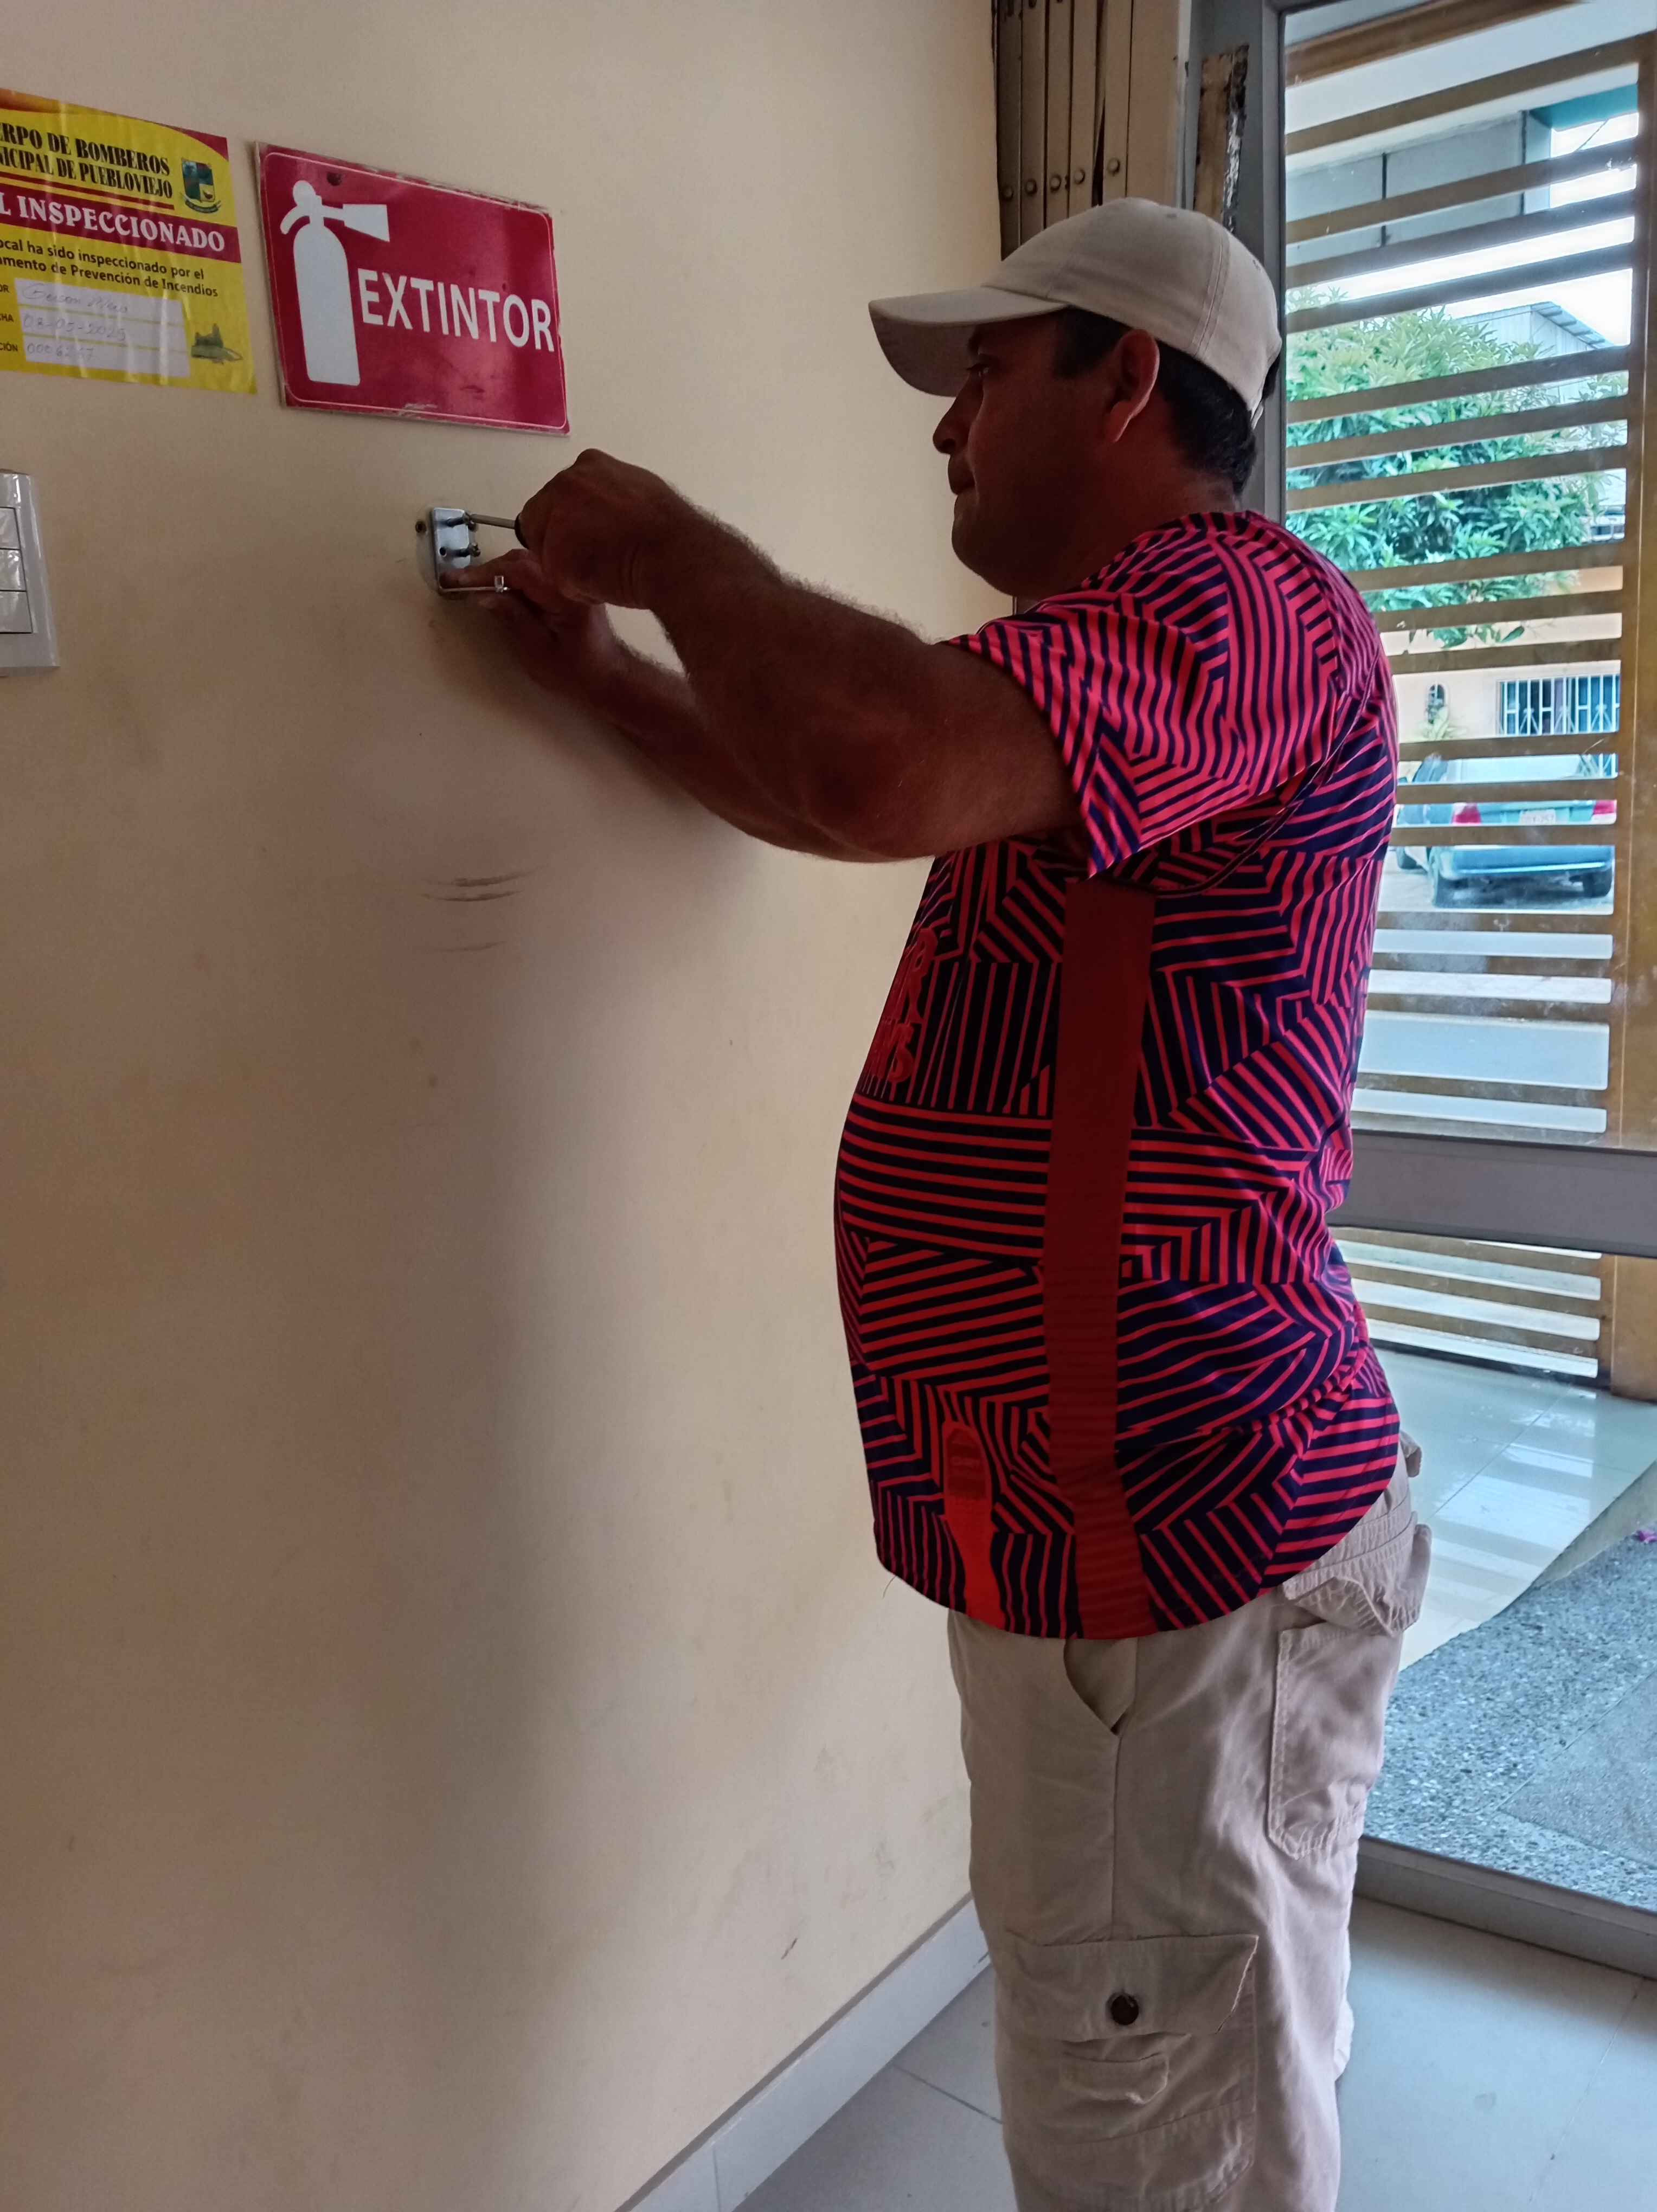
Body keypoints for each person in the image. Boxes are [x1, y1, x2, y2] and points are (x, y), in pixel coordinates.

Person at [459, 198, 1430, 2212]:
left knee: (1154, 2122)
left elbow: (874, 764)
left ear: (1130, 382)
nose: (944, 427)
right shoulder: (1104, 692)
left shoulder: (1234, 606)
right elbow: (830, 793)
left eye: (986, 375)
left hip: (1172, 1543)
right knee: (1186, 2057)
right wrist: (608, 680)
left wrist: (671, 549)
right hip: (1114, 1535)